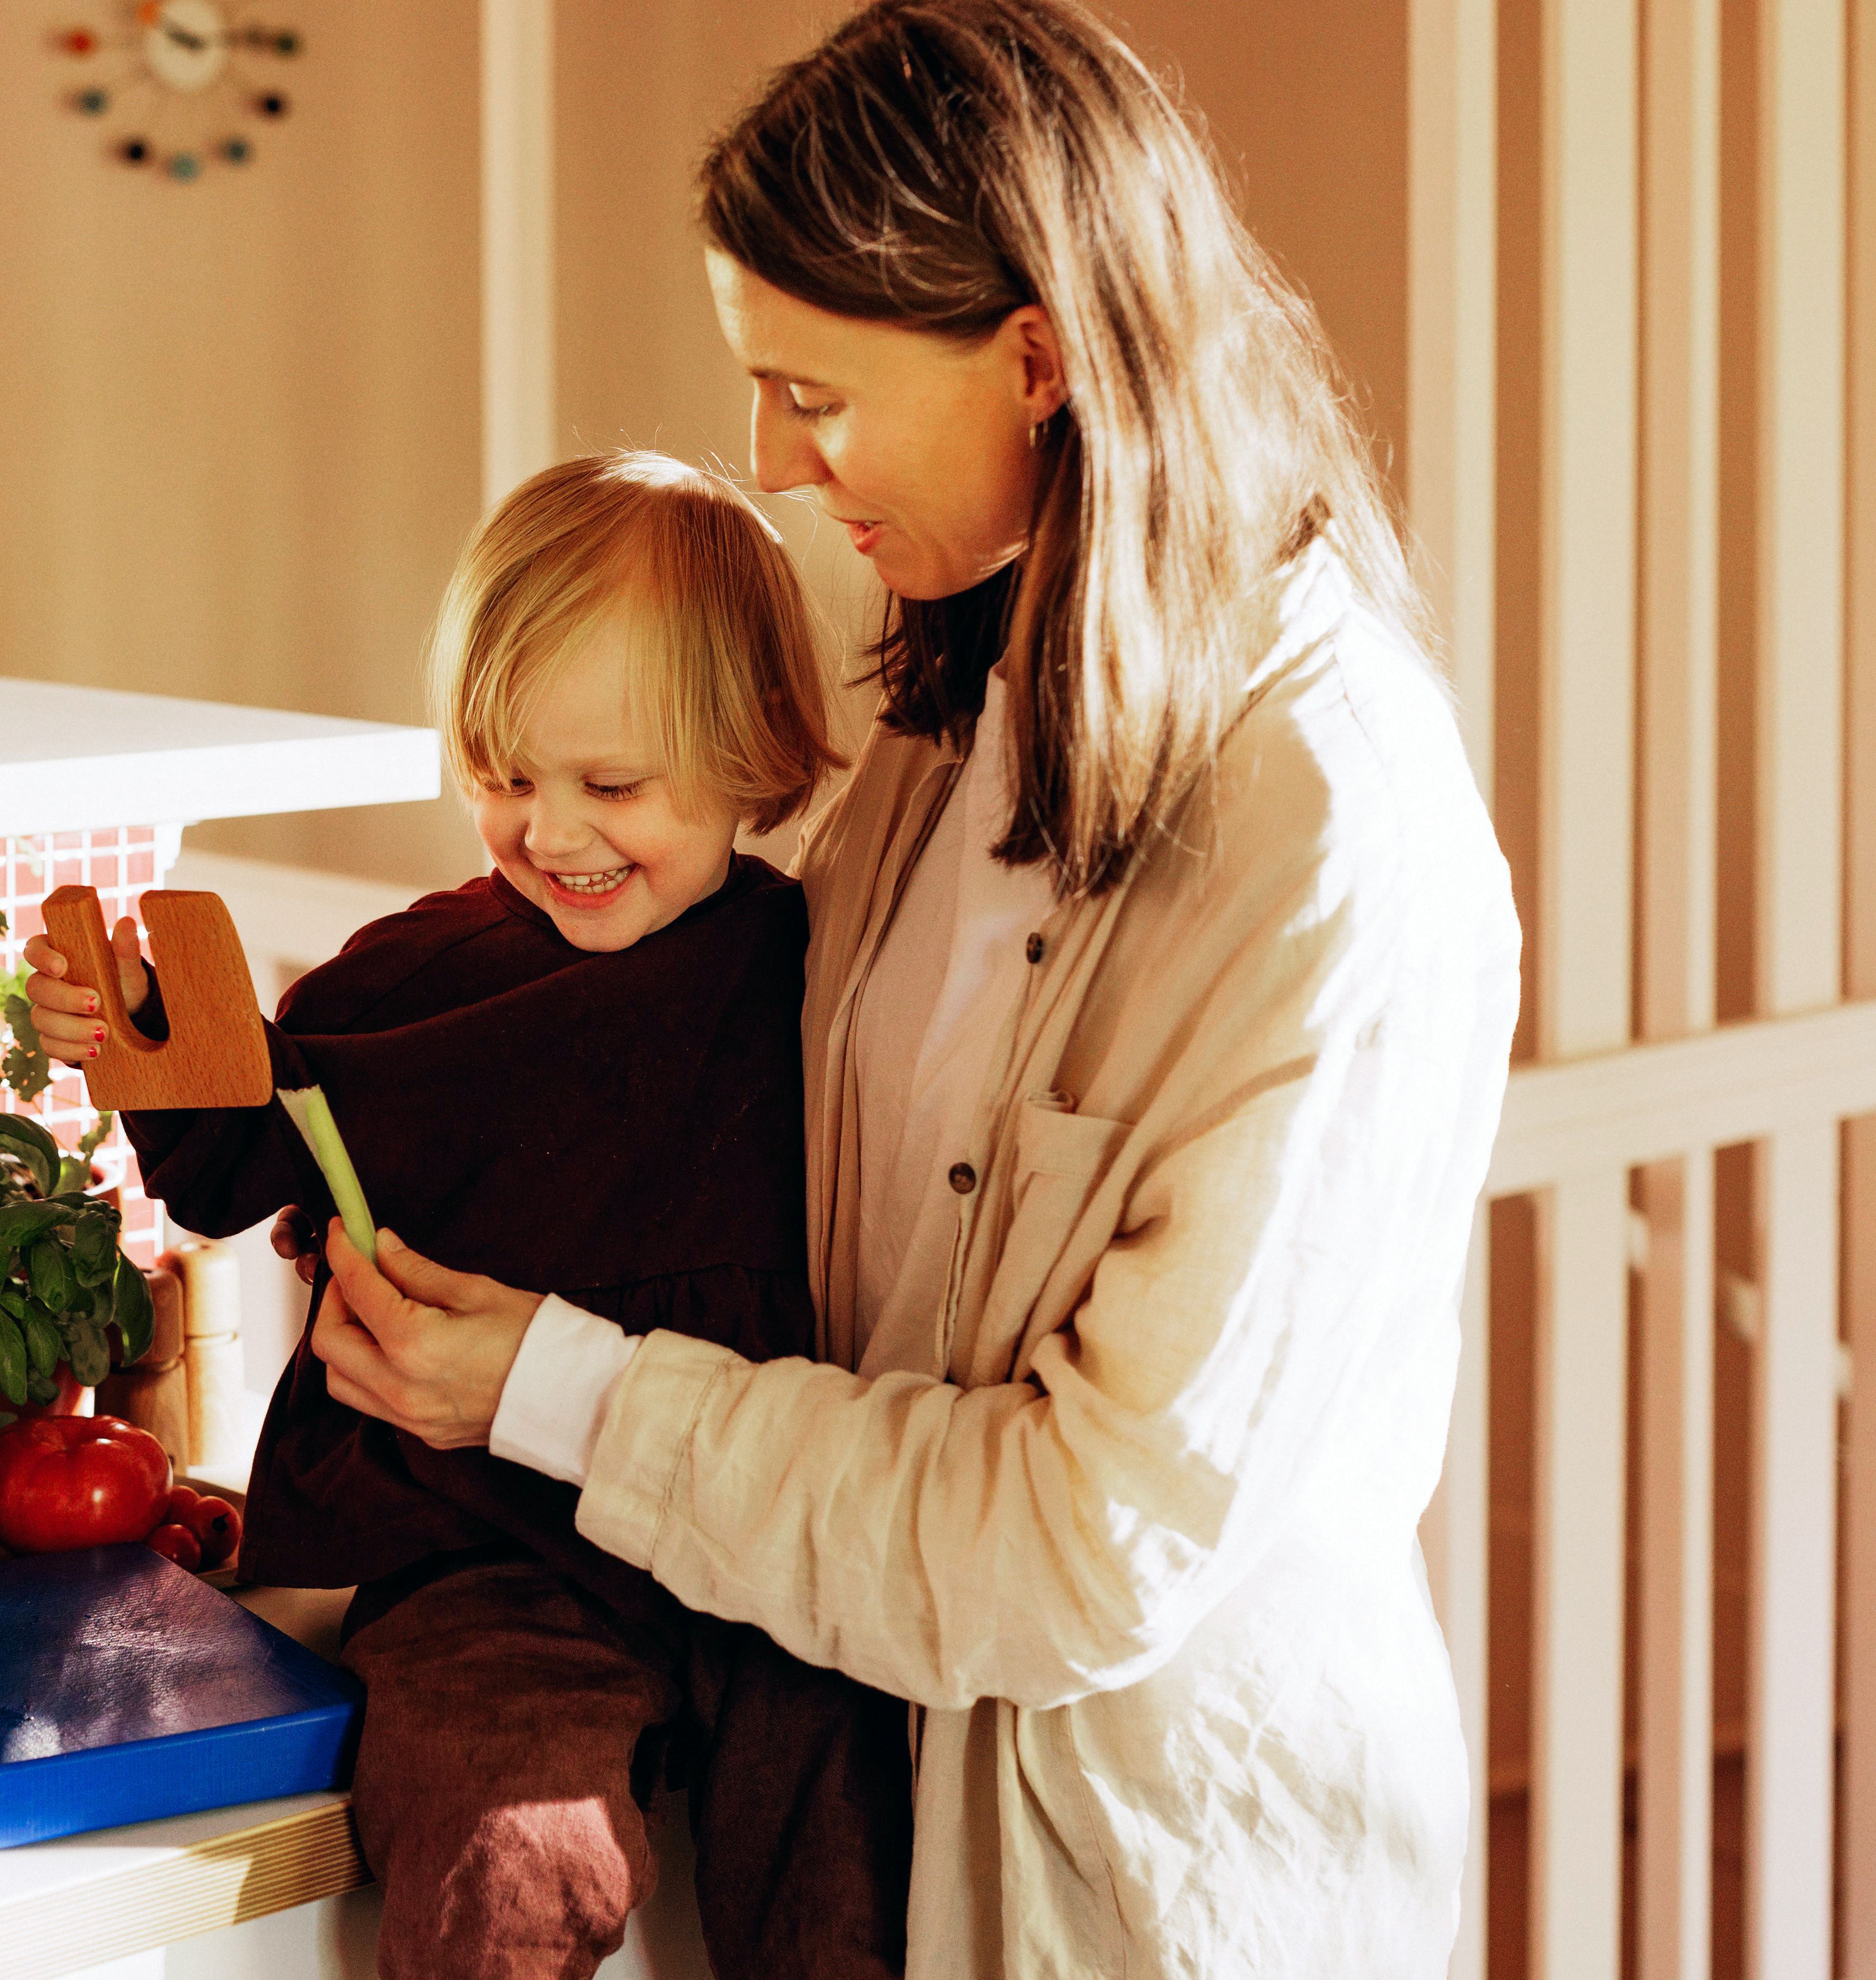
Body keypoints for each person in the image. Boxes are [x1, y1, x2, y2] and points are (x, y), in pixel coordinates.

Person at [298, 5, 1519, 1975]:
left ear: (1039, 359)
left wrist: (555, 1390)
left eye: (819, 397)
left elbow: (1086, 1547)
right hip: (868, 1790)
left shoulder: (1329, 828)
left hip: (1134, 1896)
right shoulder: (965, 708)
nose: (773, 464)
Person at [26, 452, 910, 1978]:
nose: (550, 833)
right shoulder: (415, 978)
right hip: (492, 1553)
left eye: (611, 786)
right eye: (505, 777)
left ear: (752, 751)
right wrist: (138, 1039)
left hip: (755, 1533)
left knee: (841, 1841)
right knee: (502, 1832)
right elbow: (231, 1164)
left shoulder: (819, 964)